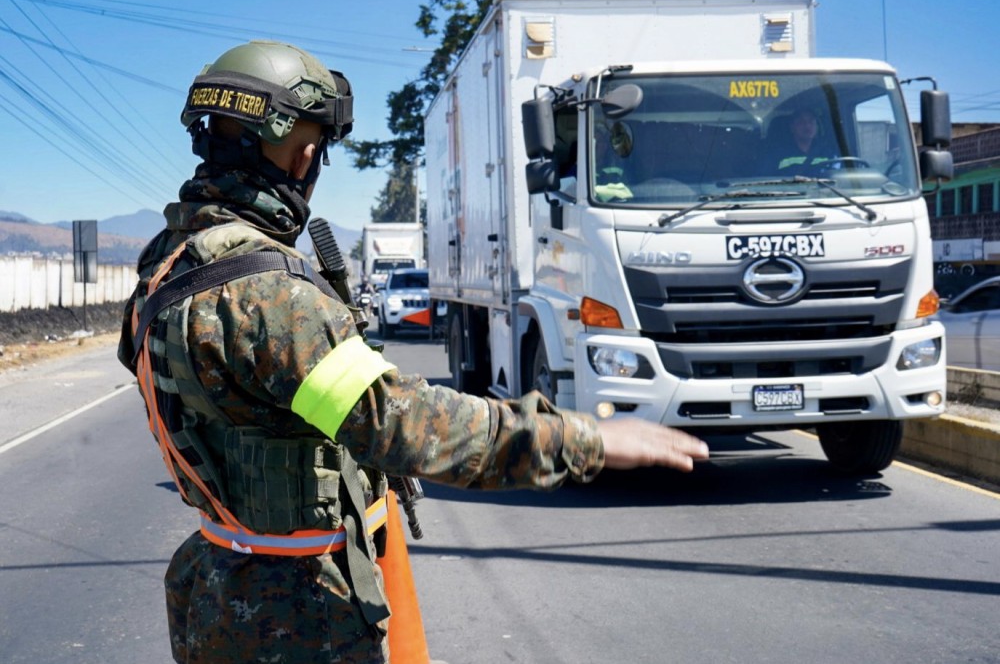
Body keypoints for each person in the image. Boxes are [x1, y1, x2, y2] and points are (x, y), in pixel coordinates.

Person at [117, 40, 709, 664]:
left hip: (213, 586)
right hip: (293, 613)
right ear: (304, 153)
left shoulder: (163, 268)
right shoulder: (269, 295)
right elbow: (400, 423)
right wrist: (578, 440)